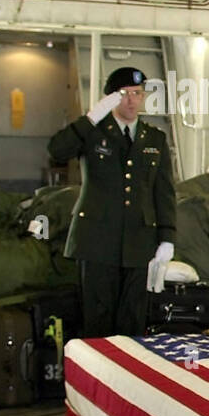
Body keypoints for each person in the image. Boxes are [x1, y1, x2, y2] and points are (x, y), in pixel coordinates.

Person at [47, 66, 176, 337]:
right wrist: (91, 117)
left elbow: (163, 192)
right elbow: (57, 150)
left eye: (137, 94)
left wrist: (167, 238)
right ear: (111, 98)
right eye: (123, 94)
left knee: (133, 323)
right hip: (96, 242)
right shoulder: (93, 132)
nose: (131, 100)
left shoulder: (155, 138)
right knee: (97, 323)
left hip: (139, 243)